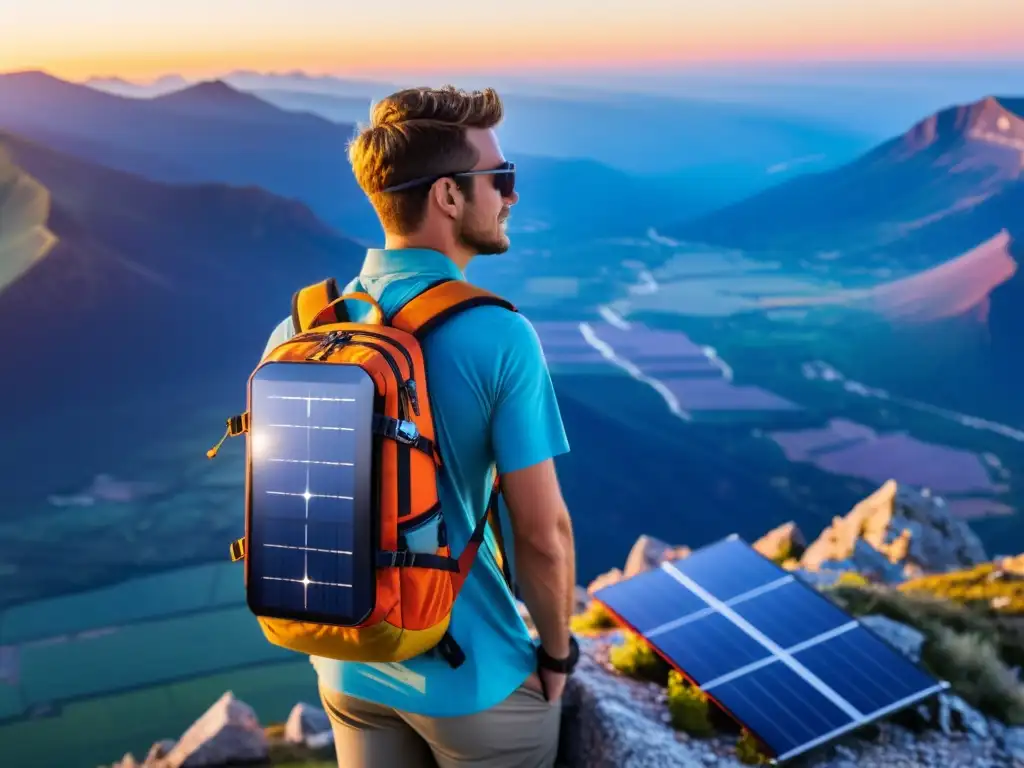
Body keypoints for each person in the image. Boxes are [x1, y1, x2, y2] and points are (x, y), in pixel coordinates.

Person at [261, 85, 578, 768]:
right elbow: (541, 535)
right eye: (501, 178)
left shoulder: (301, 327)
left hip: (346, 665)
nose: (510, 196)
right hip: (473, 681)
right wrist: (558, 653)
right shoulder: (498, 334)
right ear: (449, 197)